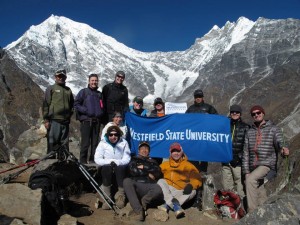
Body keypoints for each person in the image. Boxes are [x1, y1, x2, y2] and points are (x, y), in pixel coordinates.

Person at [242, 105, 289, 213]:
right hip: (253, 165)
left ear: (263, 113)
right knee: (259, 188)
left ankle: (252, 212)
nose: (256, 115)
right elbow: (246, 153)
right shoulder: (249, 132)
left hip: (266, 163)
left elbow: (280, 141)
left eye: (258, 113)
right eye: (253, 114)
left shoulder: (273, 129)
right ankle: (264, 212)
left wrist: (283, 148)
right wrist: (246, 171)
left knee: (250, 181)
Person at [157, 142, 202, 219]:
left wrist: (191, 185)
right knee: (160, 181)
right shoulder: (165, 164)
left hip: (181, 191)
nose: (176, 153)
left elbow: (197, 178)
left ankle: (167, 205)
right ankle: (176, 206)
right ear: (170, 153)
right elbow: (155, 171)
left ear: (181, 152)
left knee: (193, 191)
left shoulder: (188, 165)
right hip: (168, 190)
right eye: (173, 151)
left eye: (178, 151)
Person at [123, 141, 163, 221]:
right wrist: (148, 173)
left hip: (149, 186)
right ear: (139, 150)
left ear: (149, 151)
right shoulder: (133, 159)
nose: (144, 150)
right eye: (142, 148)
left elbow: (158, 172)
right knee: (127, 181)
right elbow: (133, 171)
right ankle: (138, 210)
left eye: (146, 148)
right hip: (137, 185)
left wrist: (143, 167)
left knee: (158, 189)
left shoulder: (153, 161)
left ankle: (144, 201)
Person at [94, 125, 131, 209]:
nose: (113, 137)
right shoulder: (103, 143)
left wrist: (118, 162)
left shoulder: (124, 142)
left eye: (116, 134)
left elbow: (127, 157)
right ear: (108, 135)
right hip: (107, 165)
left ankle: (120, 197)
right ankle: (107, 197)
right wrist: (110, 162)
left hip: (119, 165)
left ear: (119, 135)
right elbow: (97, 158)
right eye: (111, 135)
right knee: (106, 169)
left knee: (120, 168)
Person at [185, 89, 218, 173]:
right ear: (194, 98)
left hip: (204, 138)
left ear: (202, 97)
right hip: (193, 138)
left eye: (199, 96)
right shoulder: (190, 109)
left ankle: (203, 175)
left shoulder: (208, 108)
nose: (198, 98)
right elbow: (184, 122)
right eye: (196, 97)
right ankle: (195, 175)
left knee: (204, 159)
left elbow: (217, 119)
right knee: (193, 159)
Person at [42, 69, 74, 155]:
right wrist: (46, 120)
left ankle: (63, 163)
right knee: (52, 142)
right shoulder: (51, 88)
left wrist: (69, 116)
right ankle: (50, 163)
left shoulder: (68, 90)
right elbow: (46, 104)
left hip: (65, 122)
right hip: (54, 120)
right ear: (55, 77)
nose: (61, 78)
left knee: (64, 144)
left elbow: (71, 105)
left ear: (65, 78)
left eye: (63, 76)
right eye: (59, 76)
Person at [74, 74, 104, 164]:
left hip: (96, 122)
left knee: (95, 143)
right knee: (85, 143)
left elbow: (102, 106)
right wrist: (85, 110)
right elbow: (76, 104)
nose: (94, 82)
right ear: (89, 81)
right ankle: (83, 161)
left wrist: (101, 112)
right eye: (92, 80)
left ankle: (93, 160)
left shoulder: (99, 94)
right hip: (86, 121)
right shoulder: (83, 92)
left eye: (95, 80)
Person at [222, 104, 249, 198]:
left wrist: (238, 157)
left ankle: (242, 207)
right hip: (226, 161)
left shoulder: (246, 127)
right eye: (233, 112)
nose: (234, 113)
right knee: (227, 186)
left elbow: (247, 146)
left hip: (238, 162)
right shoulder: (224, 125)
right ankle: (230, 207)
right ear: (230, 113)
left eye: (237, 112)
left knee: (240, 185)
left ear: (240, 114)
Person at [149, 97, 165, 164]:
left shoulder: (169, 114)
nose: (158, 104)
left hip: (167, 138)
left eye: (160, 103)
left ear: (162, 104)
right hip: (156, 139)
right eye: (156, 104)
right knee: (157, 159)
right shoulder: (152, 115)